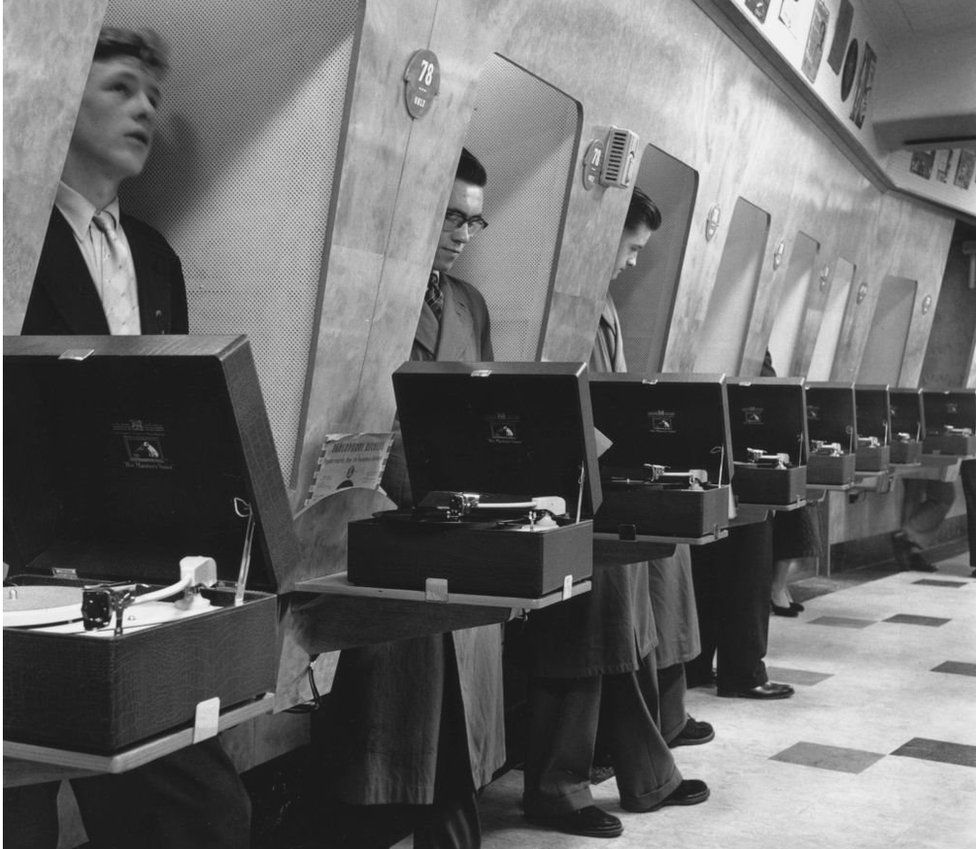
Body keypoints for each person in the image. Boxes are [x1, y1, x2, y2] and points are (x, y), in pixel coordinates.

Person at [8, 27, 251, 849]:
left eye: (153, 96)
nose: (144, 109)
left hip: (135, 581)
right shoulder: (13, 240)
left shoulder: (157, 259)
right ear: (59, 97)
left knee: (199, 811)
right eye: (119, 88)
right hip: (21, 569)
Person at [319, 148, 503, 849]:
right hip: (386, 519)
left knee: (447, 693)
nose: (460, 233)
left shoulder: (469, 306)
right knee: (408, 698)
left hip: (454, 516)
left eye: (473, 222)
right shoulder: (373, 295)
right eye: (450, 215)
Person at [520, 187, 709, 841]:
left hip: (599, 482)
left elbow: (614, 401)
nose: (631, 262)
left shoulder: (602, 306)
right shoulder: (566, 302)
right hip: (569, 488)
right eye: (630, 247)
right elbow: (560, 404)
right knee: (592, 631)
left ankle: (643, 768)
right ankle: (558, 784)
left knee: (620, 624)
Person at [685, 353, 795, 699]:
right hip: (742, 464)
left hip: (695, 448)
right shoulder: (749, 346)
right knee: (749, 568)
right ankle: (743, 672)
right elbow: (766, 394)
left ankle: (696, 665)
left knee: (705, 566)